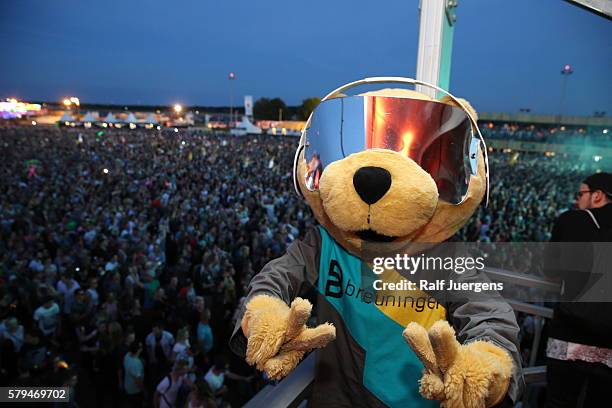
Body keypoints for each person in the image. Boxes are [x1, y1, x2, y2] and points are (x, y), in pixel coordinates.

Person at [545, 172, 612, 407]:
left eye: (580, 194)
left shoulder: (571, 220)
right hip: (609, 345)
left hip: (569, 337)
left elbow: (550, 271)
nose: (577, 200)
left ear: (597, 196)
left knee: (558, 402)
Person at [123, 341, 145, 407]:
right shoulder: (136, 363)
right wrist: (144, 391)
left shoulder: (127, 355)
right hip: (135, 391)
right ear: (138, 350)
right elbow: (138, 381)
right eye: (141, 347)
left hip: (127, 386)